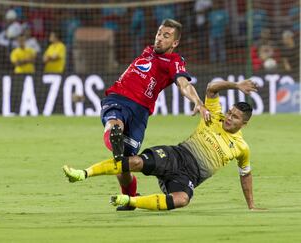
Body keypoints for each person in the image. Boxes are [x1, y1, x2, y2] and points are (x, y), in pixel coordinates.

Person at [63, 79, 265, 211]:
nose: (228, 118)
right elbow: (212, 87)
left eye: (235, 117)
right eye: (230, 112)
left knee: (182, 200)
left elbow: (245, 174)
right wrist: (236, 85)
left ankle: (130, 201)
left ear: (244, 124)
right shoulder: (213, 115)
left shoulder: (242, 148)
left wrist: (251, 205)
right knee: (134, 161)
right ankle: (82, 173)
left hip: (189, 177)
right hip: (176, 156)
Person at [99, 19, 210, 211]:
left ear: (174, 43)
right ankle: (114, 134)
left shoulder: (174, 61)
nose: (159, 38)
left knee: (123, 164)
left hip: (140, 113)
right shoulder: (148, 50)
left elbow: (183, 83)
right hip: (119, 98)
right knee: (114, 124)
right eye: (159, 33)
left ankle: (129, 197)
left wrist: (198, 101)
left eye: (166, 36)